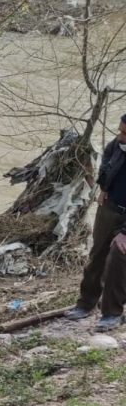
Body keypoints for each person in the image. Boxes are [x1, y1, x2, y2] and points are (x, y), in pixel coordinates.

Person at [65, 113, 126, 332]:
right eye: (120, 130)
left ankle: (112, 313)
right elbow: (107, 161)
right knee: (97, 255)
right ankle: (85, 304)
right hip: (109, 209)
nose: (120, 136)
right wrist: (103, 188)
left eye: (125, 133)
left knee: (118, 260)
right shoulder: (117, 145)